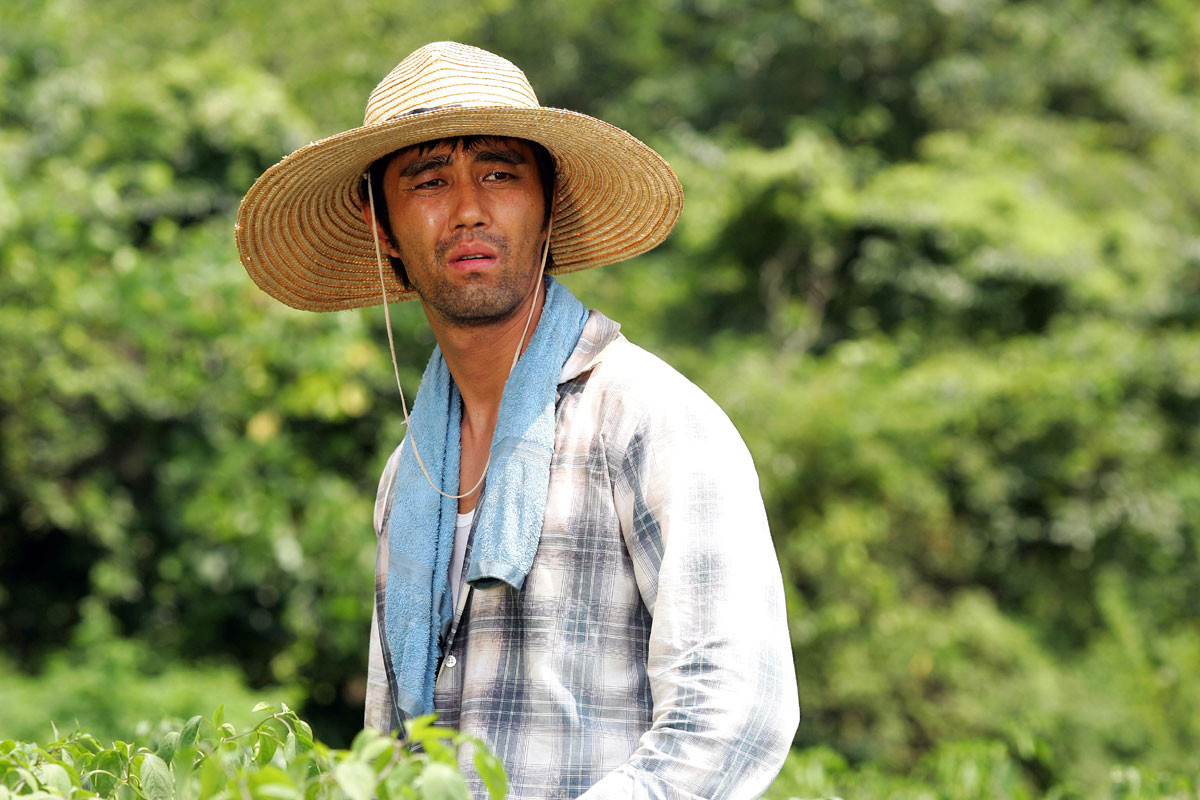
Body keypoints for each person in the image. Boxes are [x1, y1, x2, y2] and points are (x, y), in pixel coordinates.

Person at [237, 41, 798, 800]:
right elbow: (391, 746)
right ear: (381, 224)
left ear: (548, 201)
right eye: (428, 181)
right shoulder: (410, 474)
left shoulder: (648, 421)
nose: (469, 209)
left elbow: (731, 717)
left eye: (500, 174)